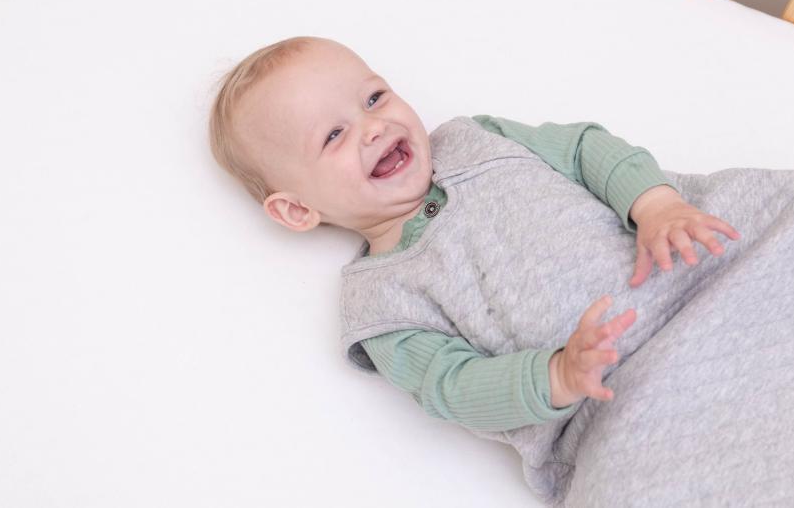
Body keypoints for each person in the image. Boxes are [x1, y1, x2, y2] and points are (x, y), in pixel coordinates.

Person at [207, 36, 741, 432]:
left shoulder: (475, 138)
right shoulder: (378, 302)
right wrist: (555, 375)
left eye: (373, 98)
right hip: (618, 394)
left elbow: (581, 149)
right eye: (334, 134)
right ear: (298, 210)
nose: (373, 127)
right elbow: (450, 386)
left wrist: (656, 204)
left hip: (693, 271)